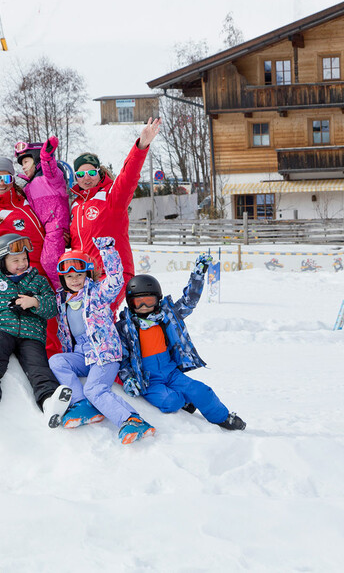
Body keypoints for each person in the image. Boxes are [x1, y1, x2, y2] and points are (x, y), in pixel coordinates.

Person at [116, 258, 246, 432]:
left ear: (158, 300)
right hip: (148, 381)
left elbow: (188, 301)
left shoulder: (167, 316)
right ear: (130, 302)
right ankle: (184, 400)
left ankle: (222, 417)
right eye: (139, 302)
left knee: (201, 391)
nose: (145, 307)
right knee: (172, 401)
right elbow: (122, 358)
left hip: (171, 372)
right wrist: (128, 378)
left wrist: (198, 276)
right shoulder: (125, 328)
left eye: (149, 301)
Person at [49, 237, 156, 445]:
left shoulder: (97, 293)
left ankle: (132, 420)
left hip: (103, 352)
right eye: (69, 276)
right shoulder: (62, 300)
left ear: (87, 274)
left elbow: (116, 278)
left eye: (79, 275)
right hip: (82, 353)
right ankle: (82, 405)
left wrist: (107, 250)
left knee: (95, 389)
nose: (74, 280)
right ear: (62, 279)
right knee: (57, 362)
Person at [0, 227, 72, 430]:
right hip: (2, 330)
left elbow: (52, 307)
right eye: (15, 261)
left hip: (32, 336)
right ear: (1, 262)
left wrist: (35, 302)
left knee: (38, 367)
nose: (22, 264)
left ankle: (49, 401)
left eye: (24, 259)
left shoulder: (38, 281)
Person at [0, 155, 62, 357]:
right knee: (47, 322)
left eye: (6, 179)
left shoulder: (23, 199)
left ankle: (63, 359)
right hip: (25, 274)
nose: (2, 185)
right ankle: (49, 363)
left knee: (60, 316)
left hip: (50, 267)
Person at [70, 117, 161, 310]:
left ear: (99, 173)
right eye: (80, 174)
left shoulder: (112, 196)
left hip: (112, 273)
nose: (86, 178)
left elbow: (129, 176)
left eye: (91, 173)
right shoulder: (75, 206)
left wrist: (142, 145)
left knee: (99, 315)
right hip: (84, 276)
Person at [15, 137, 71, 290]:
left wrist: (46, 156)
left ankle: (62, 290)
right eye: (22, 164)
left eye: (26, 162)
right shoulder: (28, 186)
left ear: (35, 158)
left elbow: (50, 167)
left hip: (56, 225)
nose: (24, 167)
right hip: (44, 231)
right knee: (41, 263)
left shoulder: (51, 178)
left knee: (49, 260)